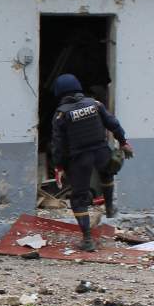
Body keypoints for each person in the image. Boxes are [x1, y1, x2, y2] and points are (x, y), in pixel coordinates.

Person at [50, 73, 134, 252]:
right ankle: (110, 206)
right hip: (101, 151)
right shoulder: (95, 105)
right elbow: (113, 123)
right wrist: (123, 142)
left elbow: (58, 145)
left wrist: (58, 166)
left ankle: (87, 240)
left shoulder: (61, 115)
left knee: (79, 199)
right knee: (107, 172)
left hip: (80, 159)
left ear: (60, 92)